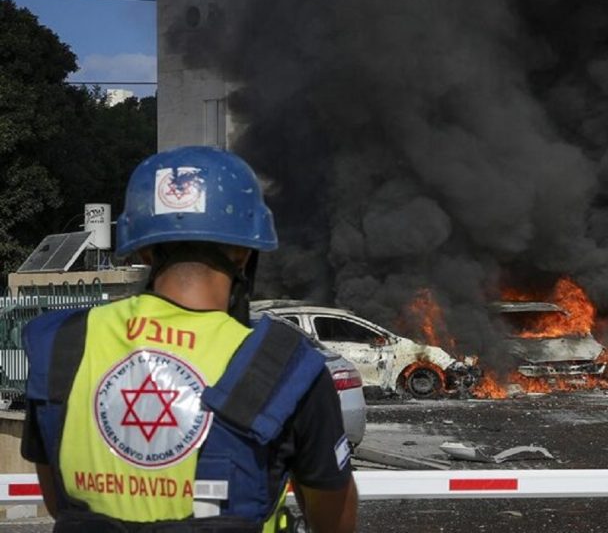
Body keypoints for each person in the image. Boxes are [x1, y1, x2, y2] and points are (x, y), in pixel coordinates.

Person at [20, 146, 357, 532]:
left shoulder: (64, 346)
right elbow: (333, 519)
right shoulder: (282, 365)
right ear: (244, 252)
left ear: (144, 250)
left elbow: (57, 501)